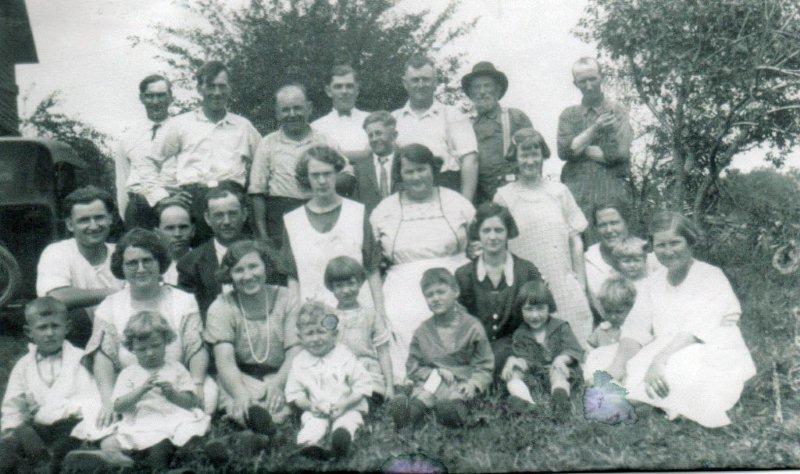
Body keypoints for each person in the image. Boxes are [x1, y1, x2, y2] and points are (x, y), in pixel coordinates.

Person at [605, 211, 756, 428]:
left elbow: (696, 331)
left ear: (690, 242)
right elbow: (636, 327)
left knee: (678, 369)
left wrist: (659, 360)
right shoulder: (652, 283)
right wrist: (617, 366)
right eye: (661, 245)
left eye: (675, 243)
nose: (668, 251)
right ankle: (653, 396)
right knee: (607, 361)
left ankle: (662, 400)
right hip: (667, 346)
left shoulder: (710, 276)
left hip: (708, 346)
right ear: (652, 248)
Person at [86, 228, 214, 432]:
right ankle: (120, 446)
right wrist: (108, 400)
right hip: (129, 387)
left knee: (208, 395)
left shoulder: (183, 300)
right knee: (94, 407)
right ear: (122, 267)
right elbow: (104, 357)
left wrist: (196, 383)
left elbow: (195, 347)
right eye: (132, 263)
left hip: (175, 383)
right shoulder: (109, 306)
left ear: (160, 263)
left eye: (147, 260)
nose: (140, 268)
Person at [370, 144, 476, 383]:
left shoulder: (455, 201)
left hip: (453, 273)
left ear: (433, 169)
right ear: (400, 175)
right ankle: (419, 375)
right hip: (402, 278)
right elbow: (373, 254)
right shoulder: (385, 209)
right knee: (401, 313)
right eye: (409, 172)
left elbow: (476, 238)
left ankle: (456, 371)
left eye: (421, 169)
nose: (416, 177)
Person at [494, 128, 594, 348]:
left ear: (543, 156)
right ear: (515, 158)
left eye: (535, 154)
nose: (530, 161)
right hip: (524, 281)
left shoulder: (559, 192)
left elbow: (575, 240)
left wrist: (581, 283)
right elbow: (499, 245)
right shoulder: (505, 196)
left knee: (576, 334)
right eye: (524, 155)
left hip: (561, 274)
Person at [143, 61, 261, 243]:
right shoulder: (181, 124)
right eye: (210, 86)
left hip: (233, 201)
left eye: (222, 86)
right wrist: (161, 198)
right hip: (194, 201)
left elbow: (263, 163)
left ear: (229, 89)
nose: (217, 92)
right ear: (199, 89)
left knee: (237, 257)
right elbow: (148, 161)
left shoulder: (243, 126)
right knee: (200, 260)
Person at [203, 240, 300, 440]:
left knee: (283, 404)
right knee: (242, 406)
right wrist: (240, 394)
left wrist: (279, 384)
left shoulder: (287, 298)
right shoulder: (221, 306)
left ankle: (254, 435)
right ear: (229, 275)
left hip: (282, 374)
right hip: (239, 377)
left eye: (253, 266)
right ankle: (260, 429)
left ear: (265, 266)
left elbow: (295, 351)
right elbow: (225, 361)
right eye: (239, 270)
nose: (248, 276)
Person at [0, 298, 110, 473]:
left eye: (55, 326)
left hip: (73, 426)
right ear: (29, 332)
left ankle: (56, 462)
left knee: (61, 452)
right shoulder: (24, 366)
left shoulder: (82, 359)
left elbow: (92, 397)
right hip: (39, 427)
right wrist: (13, 429)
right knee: (11, 445)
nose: (49, 333)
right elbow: (13, 404)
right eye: (42, 327)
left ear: (67, 327)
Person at [99, 311, 210, 471]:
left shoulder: (176, 368)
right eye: (142, 349)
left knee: (190, 436)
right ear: (132, 349)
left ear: (166, 342)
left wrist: (172, 393)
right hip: (147, 420)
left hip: (176, 416)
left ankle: (196, 460)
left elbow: (191, 401)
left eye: (156, 345)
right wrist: (140, 391)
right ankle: (162, 469)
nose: (150, 353)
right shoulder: (129, 373)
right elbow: (119, 406)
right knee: (157, 445)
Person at [389, 268, 494, 429]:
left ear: (455, 292)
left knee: (456, 397)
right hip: (433, 382)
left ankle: (453, 414)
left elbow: (485, 366)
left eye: (441, 292)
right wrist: (433, 372)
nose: (435, 299)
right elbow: (412, 366)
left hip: (462, 382)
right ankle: (407, 416)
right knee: (425, 395)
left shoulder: (472, 327)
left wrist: (474, 383)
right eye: (430, 295)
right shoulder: (422, 331)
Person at [281, 145, 383, 310]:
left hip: (359, 313)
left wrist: (380, 315)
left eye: (327, 173)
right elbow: (293, 280)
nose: (322, 181)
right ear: (306, 178)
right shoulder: (292, 220)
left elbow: (372, 269)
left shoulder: (356, 212)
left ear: (337, 173)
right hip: (314, 319)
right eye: (315, 175)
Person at [249, 84, 351, 246]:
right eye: (285, 110)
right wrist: (262, 235)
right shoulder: (267, 143)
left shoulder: (325, 141)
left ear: (309, 108)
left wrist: (317, 182)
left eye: (297, 108)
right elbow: (257, 192)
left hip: (321, 209)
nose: (292, 114)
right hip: (281, 215)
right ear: (277, 112)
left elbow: (348, 176)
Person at [455, 202, 542, 372]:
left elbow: (538, 317)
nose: (492, 237)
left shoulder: (526, 270)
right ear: (477, 234)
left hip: (520, 347)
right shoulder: (463, 274)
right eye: (486, 231)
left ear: (508, 232)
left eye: (499, 230)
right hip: (477, 350)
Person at [36, 186, 125, 347]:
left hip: (124, 333)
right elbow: (56, 297)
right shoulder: (57, 252)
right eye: (84, 220)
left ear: (110, 219)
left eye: (99, 217)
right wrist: (116, 293)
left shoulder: (123, 252)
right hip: (79, 337)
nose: (93, 225)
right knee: (72, 314)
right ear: (70, 225)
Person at [178, 182, 281, 319]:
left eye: (232, 213)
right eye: (219, 215)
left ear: (244, 214)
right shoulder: (190, 264)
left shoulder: (266, 254)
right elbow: (192, 315)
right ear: (208, 219)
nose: (226, 221)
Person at [285, 301, 372, 459]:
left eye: (321, 332)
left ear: (334, 334)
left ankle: (341, 439)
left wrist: (345, 403)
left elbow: (362, 385)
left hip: (346, 406)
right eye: (310, 333)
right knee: (312, 423)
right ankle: (309, 445)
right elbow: (295, 393)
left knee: (349, 420)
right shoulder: (299, 361)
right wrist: (311, 406)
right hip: (318, 408)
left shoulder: (344, 356)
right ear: (300, 337)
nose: (316, 338)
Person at [556, 57, 634, 224]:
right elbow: (563, 152)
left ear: (601, 77)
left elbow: (618, 154)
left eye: (593, 79)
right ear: (575, 83)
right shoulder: (568, 115)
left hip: (611, 193)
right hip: (577, 195)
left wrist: (577, 148)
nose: (589, 85)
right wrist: (595, 128)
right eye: (582, 81)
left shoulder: (617, 111)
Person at [393, 55, 478, 201]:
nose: (421, 84)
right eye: (415, 80)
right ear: (405, 83)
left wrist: (466, 205)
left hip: (445, 191)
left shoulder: (453, 115)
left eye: (426, 79)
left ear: (435, 82)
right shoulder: (394, 118)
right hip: (405, 195)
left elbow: (470, 160)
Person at [500, 280, 584, 419]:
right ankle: (527, 404)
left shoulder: (560, 326)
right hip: (537, 375)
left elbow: (573, 348)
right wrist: (517, 361)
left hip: (562, 371)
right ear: (520, 310)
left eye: (540, 309)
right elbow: (527, 359)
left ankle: (560, 401)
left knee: (557, 370)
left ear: (549, 307)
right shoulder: (520, 334)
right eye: (529, 309)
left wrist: (562, 358)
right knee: (515, 371)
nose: (535, 315)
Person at [324, 256, 394, 403]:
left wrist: (390, 386)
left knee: (370, 390)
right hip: (340, 371)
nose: (346, 290)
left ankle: (362, 402)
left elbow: (383, 351)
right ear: (331, 288)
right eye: (339, 286)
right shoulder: (329, 317)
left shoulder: (371, 315)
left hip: (367, 369)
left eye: (351, 283)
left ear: (361, 282)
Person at [461, 61, 533, 204]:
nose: (482, 91)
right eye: (476, 87)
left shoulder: (515, 117)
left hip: (515, 194)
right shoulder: (465, 125)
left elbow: (534, 156)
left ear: (498, 90)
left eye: (487, 85)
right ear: (471, 93)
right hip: (479, 198)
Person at [117, 74, 174, 230]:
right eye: (150, 96)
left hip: (174, 204)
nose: (155, 102)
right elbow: (122, 180)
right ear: (141, 98)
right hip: (140, 208)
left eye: (161, 95)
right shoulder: (128, 137)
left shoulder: (182, 130)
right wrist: (125, 217)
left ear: (171, 97)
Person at [584, 201, 660, 317]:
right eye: (602, 225)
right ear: (596, 228)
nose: (609, 230)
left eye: (614, 223)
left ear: (626, 222)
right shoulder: (587, 260)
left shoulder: (648, 252)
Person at [582, 276, 635, 382]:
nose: (613, 316)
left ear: (631, 308)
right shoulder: (601, 329)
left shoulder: (632, 330)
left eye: (618, 312)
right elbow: (589, 350)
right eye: (608, 311)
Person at [311, 64, 370, 158]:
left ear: (357, 90)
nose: (344, 91)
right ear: (328, 91)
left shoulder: (371, 120)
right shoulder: (316, 128)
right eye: (338, 86)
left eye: (349, 86)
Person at [352, 111, 402, 215]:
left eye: (379, 133)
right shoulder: (360, 168)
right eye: (370, 135)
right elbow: (357, 207)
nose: (374, 139)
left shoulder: (405, 161)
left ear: (394, 135)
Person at [154, 202, 195, 286]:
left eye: (183, 227)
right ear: (157, 233)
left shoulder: (206, 262)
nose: (177, 234)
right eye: (170, 228)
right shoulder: (149, 266)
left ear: (193, 230)